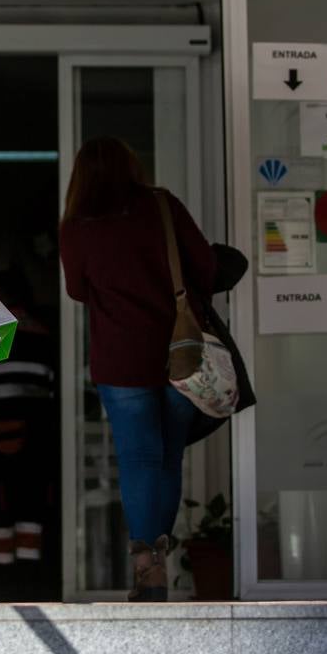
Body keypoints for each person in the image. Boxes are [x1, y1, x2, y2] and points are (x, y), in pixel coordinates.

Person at [57, 136, 217, 603]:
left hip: (119, 360)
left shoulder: (77, 227)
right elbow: (204, 265)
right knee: (168, 456)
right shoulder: (161, 207)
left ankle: (147, 566)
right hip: (180, 353)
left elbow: (76, 291)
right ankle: (157, 560)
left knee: (139, 460)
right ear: (132, 167)